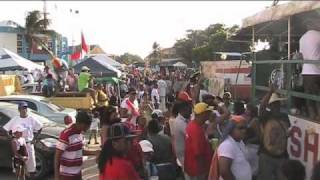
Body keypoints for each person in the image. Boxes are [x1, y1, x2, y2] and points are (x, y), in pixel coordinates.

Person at [55, 111, 99, 180]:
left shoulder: (80, 134)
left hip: (77, 173)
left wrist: (94, 152)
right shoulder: (66, 135)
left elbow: (79, 151)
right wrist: (57, 177)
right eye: (87, 125)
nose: (88, 127)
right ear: (79, 123)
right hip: (66, 175)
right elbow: (57, 157)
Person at [3, 102, 43, 179]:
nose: (24, 110)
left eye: (25, 108)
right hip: (18, 146)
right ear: (19, 109)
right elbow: (5, 129)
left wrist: (34, 139)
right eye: (22, 108)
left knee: (32, 168)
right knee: (18, 168)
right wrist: (12, 138)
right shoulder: (15, 119)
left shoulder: (31, 119)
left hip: (28, 145)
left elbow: (40, 127)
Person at [215, 115, 252, 180]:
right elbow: (224, 172)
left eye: (245, 128)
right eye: (240, 128)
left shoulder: (240, 142)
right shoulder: (227, 145)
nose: (244, 131)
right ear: (231, 129)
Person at [257, 112, 291, 180]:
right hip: (267, 157)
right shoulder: (271, 126)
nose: (286, 125)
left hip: (280, 157)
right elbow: (271, 143)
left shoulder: (284, 129)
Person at [184, 102, 213, 180]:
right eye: (208, 113)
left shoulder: (192, 125)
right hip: (197, 171)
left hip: (192, 168)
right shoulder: (196, 130)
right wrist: (204, 171)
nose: (209, 114)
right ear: (202, 114)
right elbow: (198, 154)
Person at [299, 29, 320, 121]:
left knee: (309, 99)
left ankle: (312, 118)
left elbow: (300, 56)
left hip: (306, 72)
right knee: (318, 98)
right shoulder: (318, 35)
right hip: (317, 71)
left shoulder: (302, 38)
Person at [172, 101, 192, 171]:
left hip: (186, 154)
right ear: (182, 110)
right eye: (189, 110)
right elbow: (190, 134)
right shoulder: (179, 122)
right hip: (184, 155)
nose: (190, 113)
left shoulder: (186, 119)